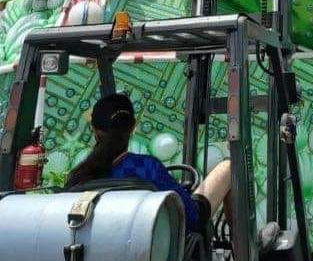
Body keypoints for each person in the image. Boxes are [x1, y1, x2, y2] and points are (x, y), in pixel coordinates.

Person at [65, 93, 231, 233]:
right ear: (133, 127)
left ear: (94, 129)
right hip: (153, 260)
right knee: (228, 168)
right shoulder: (146, 169)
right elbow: (189, 219)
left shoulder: (78, 178)